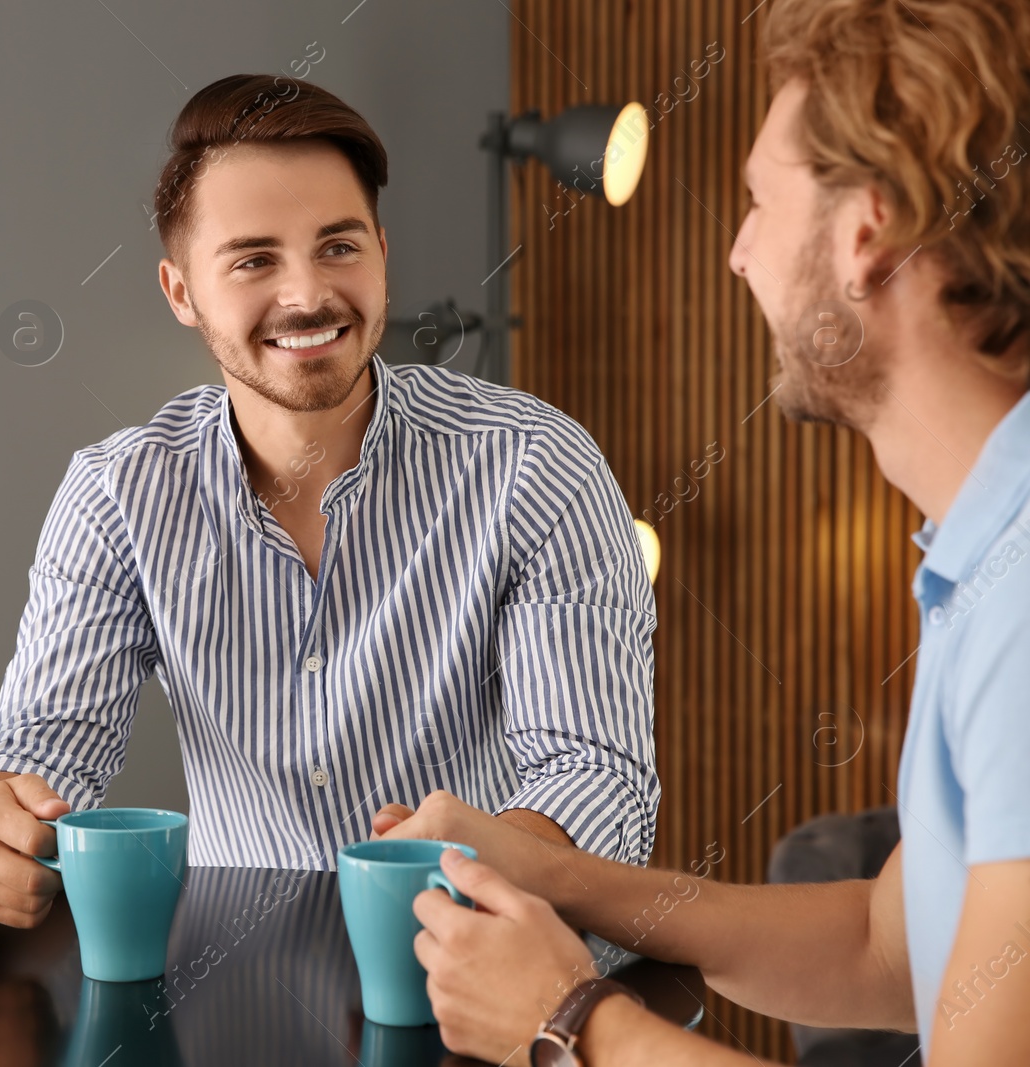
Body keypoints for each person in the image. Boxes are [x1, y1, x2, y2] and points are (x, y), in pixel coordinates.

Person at [379, 0, 1030, 1062]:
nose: (736, 254)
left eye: (757, 204)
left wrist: (569, 1024)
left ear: (865, 235)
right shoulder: (983, 550)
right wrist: (560, 875)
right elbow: (885, 948)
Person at [0, 73, 662, 929]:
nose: (308, 294)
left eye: (339, 246)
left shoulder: (535, 463)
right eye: (254, 259)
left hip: (495, 981)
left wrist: (474, 871)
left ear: (384, 253)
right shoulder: (118, 495)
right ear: (181, 292)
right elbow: (36, 752)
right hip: (234, 1001)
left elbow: (600, 777)